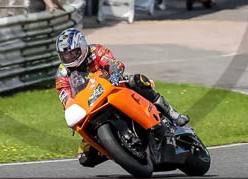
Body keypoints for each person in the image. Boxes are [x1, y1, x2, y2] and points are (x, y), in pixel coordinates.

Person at [55, 28, 189, 168]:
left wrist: (114, 73)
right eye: (65, 54)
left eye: (72, 52)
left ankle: (170, 113)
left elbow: (113, 63)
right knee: (84, 157)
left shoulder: (95, 51)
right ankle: (119, 150)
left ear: (81, 47)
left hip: (113, 88)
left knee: (137, 81)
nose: (69, 57)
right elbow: (65, 97)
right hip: (91, 107)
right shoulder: (62, 73)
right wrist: (70, 110)